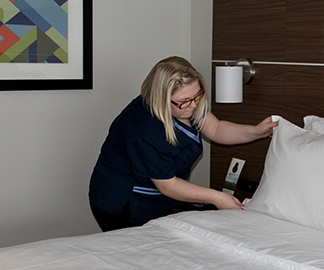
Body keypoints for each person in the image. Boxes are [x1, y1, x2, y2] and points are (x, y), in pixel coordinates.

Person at [89, 56, 277, 232]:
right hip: (123, 202)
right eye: (185, 101)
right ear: (160, 98)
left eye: (197, 96)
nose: (194, 105)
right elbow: (168, 185)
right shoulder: (145, 130)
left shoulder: (184, 106)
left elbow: (216, 129)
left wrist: (255, 131)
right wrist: (217, 197)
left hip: (155, 198)